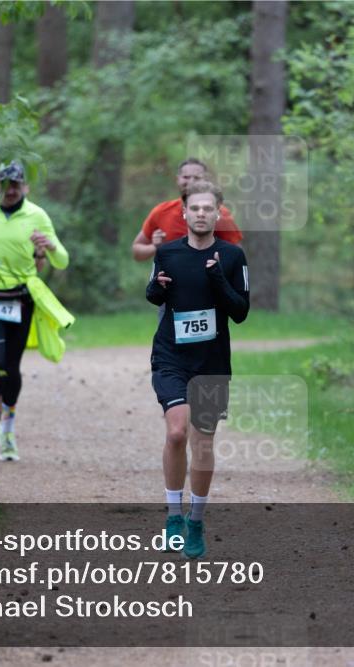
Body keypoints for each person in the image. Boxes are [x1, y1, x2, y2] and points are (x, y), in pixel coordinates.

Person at [146, 180, 249, 559]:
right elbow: (152, 293)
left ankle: (196, 520)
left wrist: (218, 278)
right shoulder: (168, 252)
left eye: (209, 208)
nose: (202, 213)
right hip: (171, 355)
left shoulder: (232, 256)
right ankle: (173, 515)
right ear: (185, 213)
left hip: (212, 361)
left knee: (202, 441)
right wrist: (157, 288)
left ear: (219, 213)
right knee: (176, 432)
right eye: (195, 208)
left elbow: (241, 312)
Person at [0, 161, 74, 462]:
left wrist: (48, 245)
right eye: (5, 184)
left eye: (16, 184)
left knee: (12, 365)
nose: (10, 190)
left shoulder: (37, 215)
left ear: (25, 187)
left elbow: (62, 260)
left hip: (21, 297)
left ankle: (7, 428)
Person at [131, 158, 244, 262]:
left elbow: (238, 255)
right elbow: (137, 252)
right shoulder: (161, 212)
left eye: (197, 177)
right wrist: (154, 247)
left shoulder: (219, 214)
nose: (191, 181)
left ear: (206, 180)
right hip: (170, 281)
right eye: (186, 177)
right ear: (177, 179)